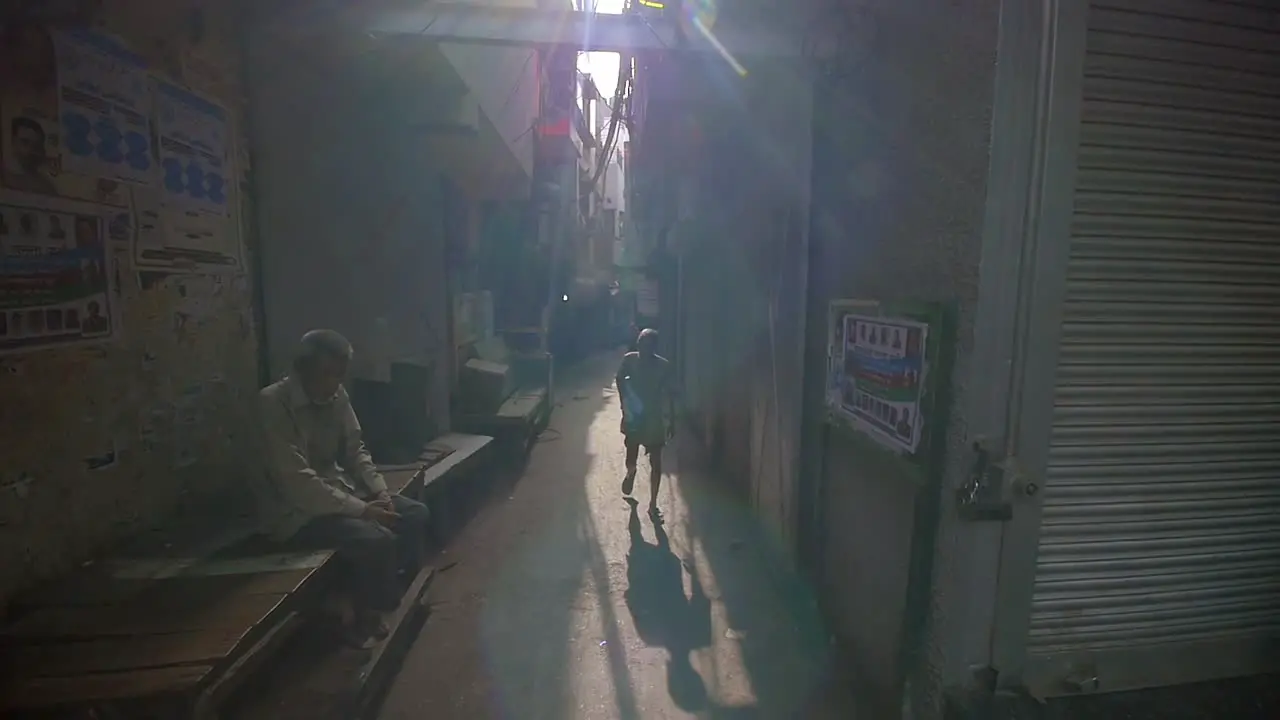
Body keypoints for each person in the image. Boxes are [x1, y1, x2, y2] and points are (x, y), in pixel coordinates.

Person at [258, 329, 431, 647]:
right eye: (327, 374)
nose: (334, 383)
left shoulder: (336, 396)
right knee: (376, 539)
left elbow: (355, 450)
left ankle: (392, 598)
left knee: (414, 514)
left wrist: (380, 493)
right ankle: (365, 616)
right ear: (303, 368)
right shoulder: (273, 403)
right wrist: (365, 510)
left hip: (339, 493)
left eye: (340, 375)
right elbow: (298, 483)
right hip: (296, 512)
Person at [616, 328, 675, 521]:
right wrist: (624, 400)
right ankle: (631, 473)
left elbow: (670, 394)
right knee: (631, 455)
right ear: (638, 344)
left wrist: (671, 420)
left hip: (654, 419)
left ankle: (653, 505)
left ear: (654, 348)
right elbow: (619, 379)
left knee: (656, 464)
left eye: (649, 346)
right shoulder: (629, 360)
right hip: (635, 417)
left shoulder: (663, 367)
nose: (645, 349)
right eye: (642, 344)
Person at [7, 117, 56, 195]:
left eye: (36, 146)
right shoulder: (5, 179)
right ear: (13, 142)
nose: (30, 150)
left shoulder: (47, 187)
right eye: (25, 142)